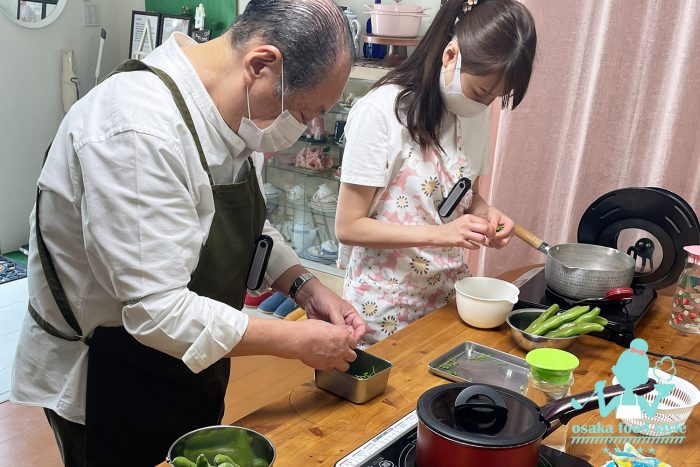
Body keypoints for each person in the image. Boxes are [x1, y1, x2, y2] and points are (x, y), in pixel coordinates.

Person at [10, 1, 365, 465]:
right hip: (109, 371)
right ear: (261, 65)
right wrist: (297, 342)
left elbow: (243, 221)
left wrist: (303, 284)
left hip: (188, 358)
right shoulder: (137, 130)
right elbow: (156, 310)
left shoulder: (232, 110)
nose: (303, 128)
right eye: (303, 111)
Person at [336, 0, 537, 346]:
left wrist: (488, 216)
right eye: (481, 91)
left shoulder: (473, 114)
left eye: (495, 97)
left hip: (447, 301)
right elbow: (348, 226)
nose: (484, 104)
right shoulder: (380, 112)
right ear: (450, 55)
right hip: (383, 310)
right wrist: (444, 234)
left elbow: (464, 196)